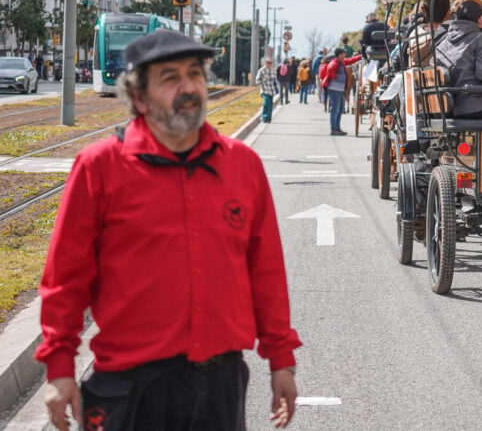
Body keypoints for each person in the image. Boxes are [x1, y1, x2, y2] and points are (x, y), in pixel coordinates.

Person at [37, 30, 300, 431]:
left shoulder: (242, 165)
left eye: (195, 73)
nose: (189, 86)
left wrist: (282, 361)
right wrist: (59, 367)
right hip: (132, 386)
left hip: (220, 384)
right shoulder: (100, 166)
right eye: (170, 77)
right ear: (139, 97)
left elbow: (265, 272)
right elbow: (65, 277)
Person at [324, 47, 362, 135]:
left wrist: (360, 56)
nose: (345, 55)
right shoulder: (334, 62)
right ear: (339, 54)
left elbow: (350, 60)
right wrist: (336, 78)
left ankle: (337, 128)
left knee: (340, 109)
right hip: (334, 89)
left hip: (339, 89)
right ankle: (334, 129)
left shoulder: (341, 62)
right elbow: (329, 70)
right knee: (335, 109)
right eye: (343, 53)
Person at [256, 57, 279, 122]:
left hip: (271, 90)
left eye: (270, 63)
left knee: (270, 104)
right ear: (265, 63)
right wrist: (262, 83)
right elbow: (257, 81)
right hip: (265, 90)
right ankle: (264, 116)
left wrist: (276, 86)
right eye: (268, 63)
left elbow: (275, 80)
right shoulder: (261, 70)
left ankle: (269, 118)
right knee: (266, 102)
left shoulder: (273, 70)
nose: (269, 64)